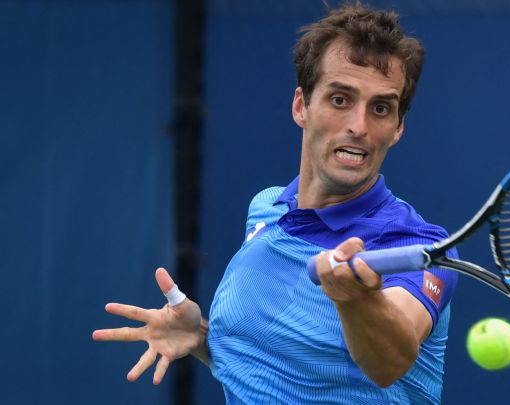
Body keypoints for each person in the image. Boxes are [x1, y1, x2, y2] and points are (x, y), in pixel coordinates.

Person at [93, 3, 458, 403]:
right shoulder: (267, 208)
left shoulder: (416, 246)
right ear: (301, 106)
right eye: (340, 100)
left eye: (381, 108)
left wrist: (357, 298)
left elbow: (389, 363)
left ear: (398, 127)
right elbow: (284, 364)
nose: (359, 126)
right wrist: (200, 337)